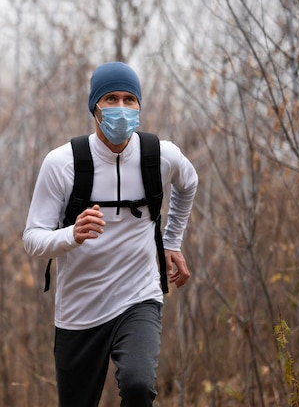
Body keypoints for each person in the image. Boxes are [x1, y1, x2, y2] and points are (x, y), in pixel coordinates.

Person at [22, 61, 198, 406]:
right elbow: (32, 238)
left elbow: (189, 184)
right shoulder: (62, 164)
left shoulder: (160, 156)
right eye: (111, 99)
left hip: (138, 296)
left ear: (139, 106)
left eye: (130, 100)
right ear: (95, 108)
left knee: (138, 385)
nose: (121, 108)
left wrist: (172, 240)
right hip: (79, 310)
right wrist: (71, 234)